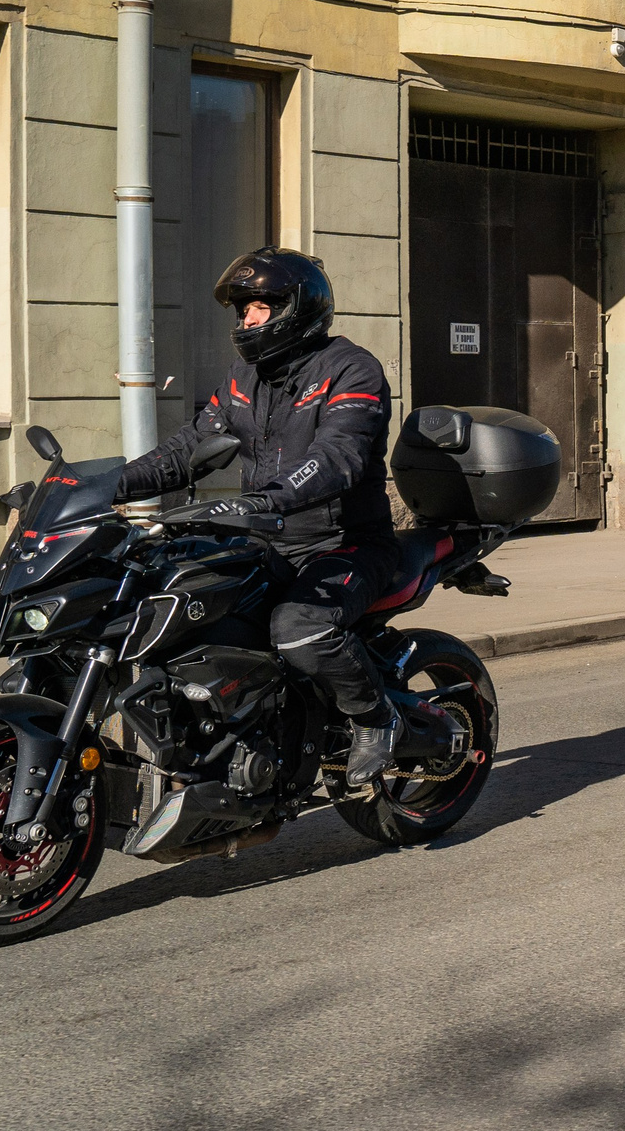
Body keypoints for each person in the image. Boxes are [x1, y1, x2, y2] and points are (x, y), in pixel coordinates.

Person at [114, 249, 406, 789]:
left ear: (296, 307)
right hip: (264, 540)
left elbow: (340, 455)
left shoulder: (350, 368)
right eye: (242, 309)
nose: (246, 319)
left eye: (259, 307)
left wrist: (268, 498)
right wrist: (109, 483)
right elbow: (188, 448)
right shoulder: (243, 375)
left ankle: (376, 718)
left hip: (342, 544)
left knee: (298, 629)